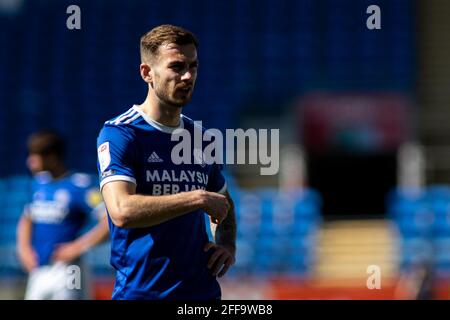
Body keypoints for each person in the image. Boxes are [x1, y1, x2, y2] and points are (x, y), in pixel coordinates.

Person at [97, 24, 237, 300]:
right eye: (177, 67)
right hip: (142, 293)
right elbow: (122, 210)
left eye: (193, 66)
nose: (188, 76)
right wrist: (195, 198)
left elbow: (222, 204)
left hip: (201, 295)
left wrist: (227, 244)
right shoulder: (121, 133)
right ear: (147, 73)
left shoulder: (201, 139)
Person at [16, 130, 109, 300]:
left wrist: (78, 246)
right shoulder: (38, 184)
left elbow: (110, 221)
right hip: (39, 268)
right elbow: (27, 217)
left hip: (69, 270)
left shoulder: (81, 186)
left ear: (52, 157)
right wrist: (23, 249)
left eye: (35, 156)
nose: (30, 162)